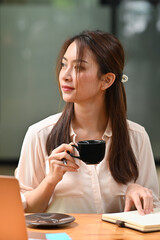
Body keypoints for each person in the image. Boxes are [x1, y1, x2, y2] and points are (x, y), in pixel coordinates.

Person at [16, 30, 160, 215]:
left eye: (79, 68)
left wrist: (136, 193)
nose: (65, 76)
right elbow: (21, 212)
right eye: (63, 65)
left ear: (106, 80)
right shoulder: (39, 134)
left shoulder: (136, 137)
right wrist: (50, 180)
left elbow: (153, 213)